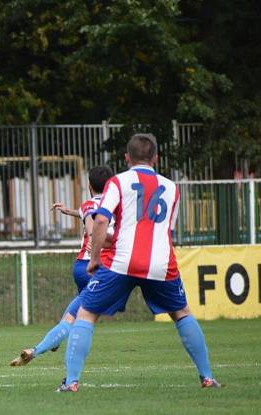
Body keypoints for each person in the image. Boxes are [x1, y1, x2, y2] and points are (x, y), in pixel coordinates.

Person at [57, 134, 220, 392]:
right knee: (182, 313)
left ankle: (72, 382)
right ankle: (208, 377)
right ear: (156, 158)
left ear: (126, 158)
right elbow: (168, 230)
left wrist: (96, 257)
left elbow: (100, 220)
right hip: (161, 263)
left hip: (121, 262)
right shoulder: (172, 188)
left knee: (86, 312)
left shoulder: (117, 182)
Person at [10, 165, 114, 366]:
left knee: (70, 316)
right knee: (80, 321)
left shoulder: (87, 205)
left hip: (81, 267)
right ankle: (53, 359)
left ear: (89, 186)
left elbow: (89, 212)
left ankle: (43, 345)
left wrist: (70, 211)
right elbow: (96, 221)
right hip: (101, 268)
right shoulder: (119, 205)